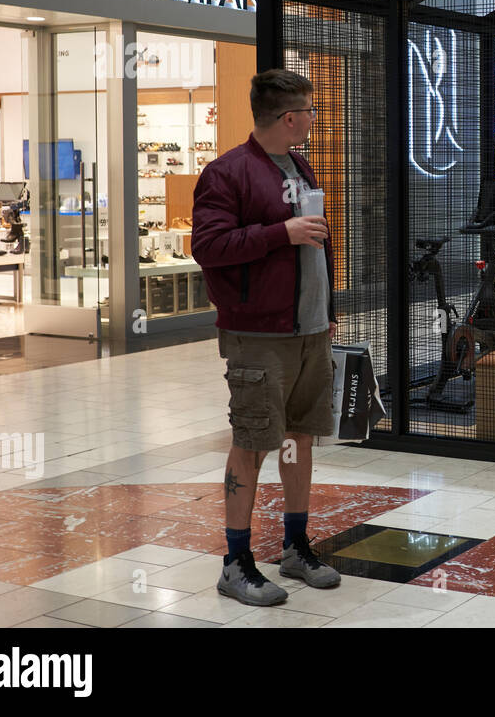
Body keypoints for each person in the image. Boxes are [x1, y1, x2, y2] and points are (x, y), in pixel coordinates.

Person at [191, 67, 341, 606]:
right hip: (259, 335)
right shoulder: (227, 173)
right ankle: (236, 561)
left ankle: (296, 546)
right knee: (252, 444)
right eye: (310, 111)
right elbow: (208, 247)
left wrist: (326, 310)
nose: (314, 119)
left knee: (298, 438)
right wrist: (281, 233)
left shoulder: (297, 163)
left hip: (310, 331)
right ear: (288, 117)